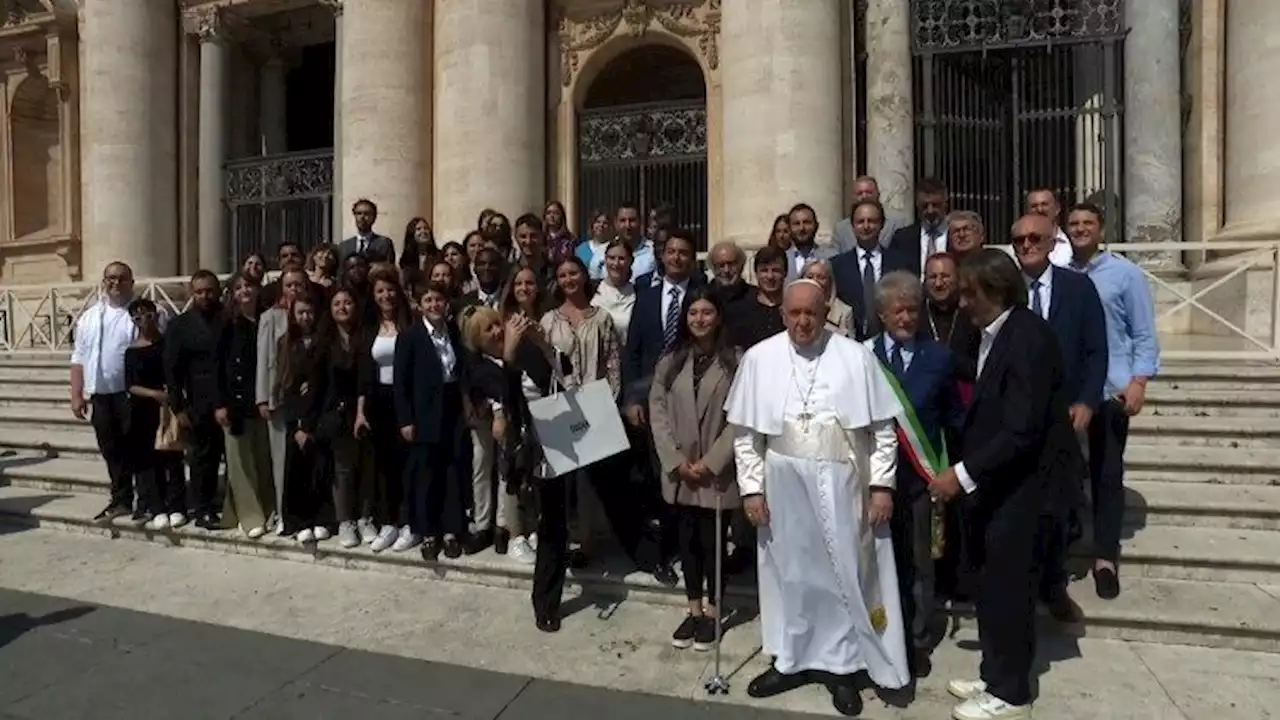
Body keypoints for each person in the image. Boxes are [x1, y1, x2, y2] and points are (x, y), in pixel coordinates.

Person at [725, 279, 910, 717]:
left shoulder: (854, 355)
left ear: (826, 309)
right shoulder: (759, 358)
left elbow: (882, 429)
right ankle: (791, 659)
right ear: (782, 313)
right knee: (790, 574)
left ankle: (841, 667)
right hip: (782, 485)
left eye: (812, 313)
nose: (803, 322)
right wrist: (751, 489)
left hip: (842, 484)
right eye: (794, 314)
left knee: (842, 572)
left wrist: (882, 486)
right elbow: (747, 436)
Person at [930, 248, 1077, 720]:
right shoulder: (994, 334)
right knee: (992, 585)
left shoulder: (1028, 339)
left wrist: (963, 474)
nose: (962, 303)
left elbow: (1022, 429)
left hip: (1025, 490)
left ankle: (1011, 691)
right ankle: (995, 671)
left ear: (995, 290)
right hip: (1000, 488)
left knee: (1011, 589)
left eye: (969, 293)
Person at [866, 270, 964, 679]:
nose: (906, 317)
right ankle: (880, 633)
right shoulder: (863, 356)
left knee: (921, 562)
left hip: (923, 480)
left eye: (911, 309)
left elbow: (954, 419)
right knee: (879, 560)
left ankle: (919, 639)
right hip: (875, 481)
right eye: (897, 311)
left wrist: (953, 473)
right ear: (882, 315)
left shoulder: (939, 357)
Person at [1013, 212, 1107, 624]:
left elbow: (1096, 350)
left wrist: (1088, 401)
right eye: (1020, 240)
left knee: (1060, 507)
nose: (1028, 244)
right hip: (1016, 422)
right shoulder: (1005, 289)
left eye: (1036, 237)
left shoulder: (1078, 287)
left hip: (1066, 419)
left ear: (1054, 241)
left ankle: (1053, 586)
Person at [1067, 202, 1161, 600]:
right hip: (1069, 394)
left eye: (1088, 223)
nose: (1080, 229)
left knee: (1106, 475)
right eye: (1073, 223)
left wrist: (1139, 381)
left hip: (1111, 390)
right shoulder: (1061, 275)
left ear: (1101, 229)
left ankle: (1105, 558)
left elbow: (1143, 332)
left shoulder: (1125, 275)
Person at [647, 286, 740, 652]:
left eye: (706, 312)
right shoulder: (671, 362)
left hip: (715, 472)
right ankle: (693, 608)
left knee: (713, 542)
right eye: (693, 313)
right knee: (686, 542)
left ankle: (714, 611)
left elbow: (740, 419)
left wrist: (712, 461)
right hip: (681, 470)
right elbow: (657, 412)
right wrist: (674, 460)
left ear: (718, 317)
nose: (699, 319)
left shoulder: (735, 360)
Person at [395, 282, 469, 561]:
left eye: (439, 300)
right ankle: (428, 532)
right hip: (423, 413)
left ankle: (451, 531)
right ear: (420, 305)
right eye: (428, 300)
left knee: (451, 471)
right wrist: (405, 419)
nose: (434, 305)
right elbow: (401, 383)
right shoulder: (411, 336)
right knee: (426, 474)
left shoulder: (452, 331)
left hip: (451, 408)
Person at [71, 262, 143, 523]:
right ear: (104, 282)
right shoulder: (90, 317)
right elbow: (78, 357)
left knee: (136, 448)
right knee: (110, 448)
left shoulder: (138, 313)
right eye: (110, 278)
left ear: (131, 283)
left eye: (121, 278)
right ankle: (121, 498)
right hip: (100, 396)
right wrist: (76, 394)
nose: (115, 283)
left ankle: (147, 499)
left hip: (131, 394)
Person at [356, 267, 416, 552]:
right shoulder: (369, 327)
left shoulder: (411, 324)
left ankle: (408, 523)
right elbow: (364, 374)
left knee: (407, 464)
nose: (386, 295)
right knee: (383, 466)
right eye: (380, 291)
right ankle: (388, 522)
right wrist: (360, 410)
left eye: (390, 289)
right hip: (379, 401)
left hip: (406, 400)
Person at [164, 270, 226, 530]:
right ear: (192, 293)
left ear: (218, 291)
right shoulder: (180, 325)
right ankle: (203, 509)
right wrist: (177, 408)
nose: (205, 296)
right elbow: (172, 370)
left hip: (229, 399)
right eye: (199, 291)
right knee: (202, 460)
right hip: (197, 403)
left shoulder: (228, 319)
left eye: (209, 291)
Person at [215, 274, 274, 538]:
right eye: (238, 287)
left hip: (261, 399)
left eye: (248, 286)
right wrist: (219, 404)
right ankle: (250, 516)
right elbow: (215, 366)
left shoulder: (267, 319)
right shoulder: (226, 324)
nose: (244, 291)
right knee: (239, 462)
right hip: (233, 400)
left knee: (262, 459)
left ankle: (251, 510)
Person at [124, 298, 186, 531]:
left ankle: (177, 506)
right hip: (144, 409)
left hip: (169, 407)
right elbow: (129, 384)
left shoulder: (168, 343)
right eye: (137, 316)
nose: (143, 320)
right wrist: (154, 394)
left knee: (173, 456)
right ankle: (158, 507)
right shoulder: (131, 351)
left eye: (147, 314)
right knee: (151, 462)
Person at [319, 288, 374, 549]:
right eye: (337, 303)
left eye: (348, 302)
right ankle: (346, 521)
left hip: (364, 409)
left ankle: (365, 517)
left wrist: (362, 410)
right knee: (343, 470)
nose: (342, 307)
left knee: (366, 466)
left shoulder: (365, 336)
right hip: (336, 413)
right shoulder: (325, 341)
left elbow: (366, 376)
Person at [257, 268, 309, 532]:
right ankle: (280, 512)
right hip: (278, 398)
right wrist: (263, 398)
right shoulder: (270, 317)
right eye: (289, 285)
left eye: (299, 284)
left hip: (304, 399)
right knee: (280, 458)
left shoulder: (309, 315)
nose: (294, 289)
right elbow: (263, 359)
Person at [276, 294, 330, 543]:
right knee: (296, 472)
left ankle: (320, 518)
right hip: (295, 418)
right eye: (300, 312)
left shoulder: (323, 343)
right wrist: (297, 425)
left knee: (318, 472)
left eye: (309, 312)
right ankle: (298, 521)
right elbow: (287, 387)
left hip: (318, 416)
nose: (305, 317)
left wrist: (309, 423)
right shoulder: (286, 344)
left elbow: (322, 384)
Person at [831, 199, 911, 340]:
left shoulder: (900, 263)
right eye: (860, 222)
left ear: (882, 224)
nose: (866, 226)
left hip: (891, 339)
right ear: (852, 225)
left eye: (872, 221)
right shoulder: (837, 266)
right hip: (850, 340)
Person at [725, 246, 786, 350]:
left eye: (776, 270)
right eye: (764, 271)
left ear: (785, 273)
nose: (770, 276)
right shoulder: (739, 310)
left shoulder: (793, 309)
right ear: (756, 274)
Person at [889, 177, 951, 277]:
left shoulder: (955, 237)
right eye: (924, 206)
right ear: (917, 205)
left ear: (945, 205)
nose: (930, 211)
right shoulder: (901, 239)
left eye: (935, 205)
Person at [833, 175, 907, 252]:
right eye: (859, 193)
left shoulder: (896, 225)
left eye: (869, 192)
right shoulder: (841, 229)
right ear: (853, 197)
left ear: (878, 194)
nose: (864, 196)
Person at [590, 239, 637, 344]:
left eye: (621, 259)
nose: (616, 263)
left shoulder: (638, 294)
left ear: (630, 261)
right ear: (605, 260)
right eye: (611, 258)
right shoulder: (592, 290)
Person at [784, 203, 837, 280]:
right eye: (796, 224)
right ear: (789, 229)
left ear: (816, 226)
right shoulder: (783, 259)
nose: (801, 228)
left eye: (806, 222)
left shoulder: (832, 257)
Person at [801, 259, 855, 337]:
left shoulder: (844, 311)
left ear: (829, 281)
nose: (815, 281)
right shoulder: (791, 306)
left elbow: (850, 345)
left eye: (821, 277)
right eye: (810, 277)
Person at [338, 198, 396, 265]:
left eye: (366, 214)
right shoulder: (344, 246)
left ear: (374, 217)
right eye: (359, 213)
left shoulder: (384, 244)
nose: (362, 217)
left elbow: (389, 269)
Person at [575, 208, 614, 279]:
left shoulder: (614, 247)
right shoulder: (581, 249)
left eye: (605, 223)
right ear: (592, 225)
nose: (601, 225)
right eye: (598, 222)